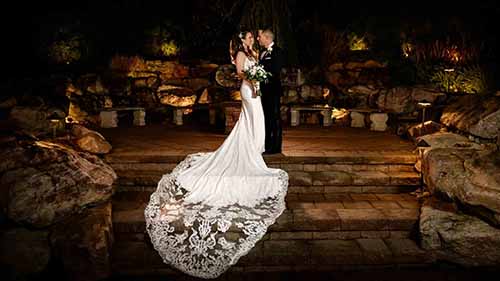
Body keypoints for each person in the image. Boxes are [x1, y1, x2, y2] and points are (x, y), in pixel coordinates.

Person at [144, 30, 289, 279]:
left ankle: (253, 150)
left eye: (255, 37)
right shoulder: (242, 53)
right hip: (248, 88)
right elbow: (241, 73)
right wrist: (253, 77)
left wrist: (258, 78)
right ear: (243, 39)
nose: (253, 40)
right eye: (250, 37)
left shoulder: (252, 51)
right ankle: (249, 153)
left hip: (254, 89)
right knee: (252, 119)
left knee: (254, 121)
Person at [257, 29, 285, 154]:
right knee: (266, 118)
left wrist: (260, 74)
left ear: (267, 38)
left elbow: (276, 70)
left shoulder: (277, 51)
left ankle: (276, 146)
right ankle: (267, 145)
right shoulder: (262, 52)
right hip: (264, 90)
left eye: (260, 37)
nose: (258, 39)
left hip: (273, 90)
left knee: (274, 117)